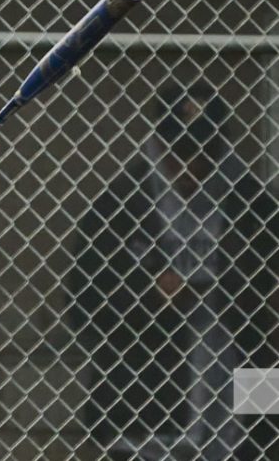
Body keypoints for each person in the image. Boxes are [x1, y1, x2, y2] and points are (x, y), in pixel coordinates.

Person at [69, 81, 278, 460]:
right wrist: (149, 295)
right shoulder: (122, 204)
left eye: (204, 152)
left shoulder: (253, 204)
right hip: (143, 390)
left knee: (256, 446)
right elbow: (82, 302)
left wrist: (231, 293)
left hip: (240, 372)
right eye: (179, 152)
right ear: (158, 145)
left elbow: (268, 313)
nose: (191, 166)